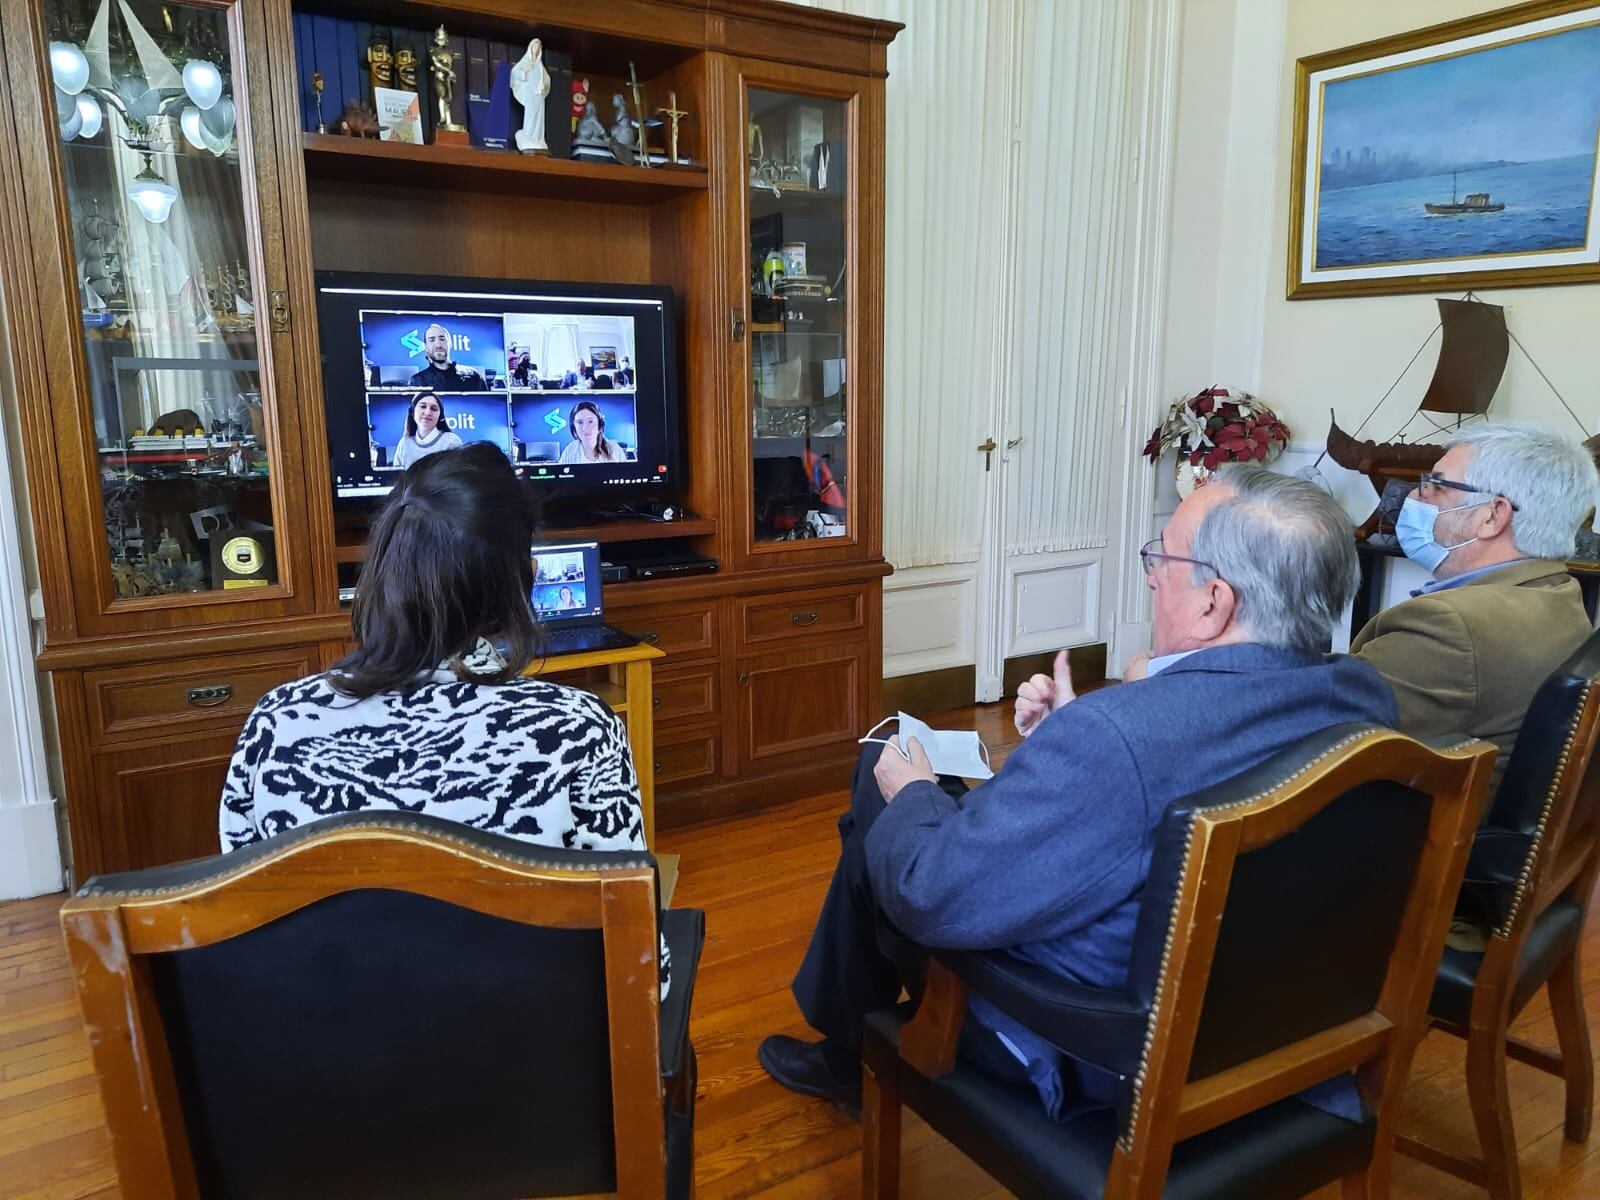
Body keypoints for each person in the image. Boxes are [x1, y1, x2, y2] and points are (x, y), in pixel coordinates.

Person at [757, 465, 1398, 1120]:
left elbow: (930, 895)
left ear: (1214, 602)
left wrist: (915, 790)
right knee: (912, 808)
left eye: (1164, 557)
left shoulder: (1121, 738)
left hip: (1091, 1048)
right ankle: (844, 1047)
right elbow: (1188, 759)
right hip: (1278, 1035)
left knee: (881, 777)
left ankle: (847, 1054)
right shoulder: (1366, 698)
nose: (1151, 574)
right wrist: (1080, 734)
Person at [218, 441, 669, 991]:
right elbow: (643, 962)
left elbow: (243, 930)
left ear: (381, 571)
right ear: (521, 581)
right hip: (531, 1055)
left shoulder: (275, 724)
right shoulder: (576, 728)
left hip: (325, 1053)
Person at [1351, 423, 1599, 791]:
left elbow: (1316, 730)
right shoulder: (1559, 592)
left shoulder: (1449, 626)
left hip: (1407, 838)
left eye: (1436, 485)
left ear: (1492, 515)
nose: (1416, 496)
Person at [407, 322, 489, 391]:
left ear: (450, 344)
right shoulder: (417, 381)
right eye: (432, 340)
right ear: (426, 347)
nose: (438, 345)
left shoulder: (474, 376)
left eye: (442, 339)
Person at [392, 392, 464, 468]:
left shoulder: (452, 441)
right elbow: (397, 478)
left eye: (434, 409)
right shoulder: (404, 443)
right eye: (423, 406)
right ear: (412, 412)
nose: (428, 412)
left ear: (440, 416)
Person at [558, 399, 629, 464]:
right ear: (573, 426)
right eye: (580, 422)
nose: (585, 428)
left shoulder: (614, 449)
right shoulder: (570, 451)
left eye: (590, 421)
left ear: (600, 424)